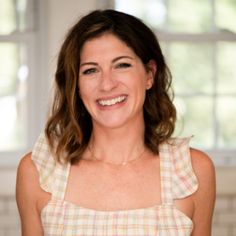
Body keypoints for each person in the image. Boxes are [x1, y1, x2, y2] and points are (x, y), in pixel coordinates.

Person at [16, 9, 215, 236]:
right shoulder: (38, 173)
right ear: (76, 85)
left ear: (149, 74)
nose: (107, 84)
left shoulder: (193, 170)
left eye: (122, 65)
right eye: (91, 70)